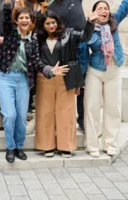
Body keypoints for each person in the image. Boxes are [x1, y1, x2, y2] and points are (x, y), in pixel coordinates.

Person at [0, 0, 67, 163]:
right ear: (17, 21)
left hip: (23, 80)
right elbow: (5, 14)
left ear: (32, 21)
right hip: (5, 77)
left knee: (20, 116)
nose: (24, 20)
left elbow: (36, 63)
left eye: (27, 18)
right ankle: (10, 147)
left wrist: (50, 71)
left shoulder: (33, 40)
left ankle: (19, 146)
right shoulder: (10, 34)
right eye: (21, 18)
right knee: (9, 115)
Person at [80, 0, 128, 158]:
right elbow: (85, 41)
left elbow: (127, 3)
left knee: (113, 109)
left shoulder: (114, 21)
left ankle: (110, 143)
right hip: (95, 71)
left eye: (105, 8)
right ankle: (92, 145)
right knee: (91, 109)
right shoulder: (89, 26)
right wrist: (89, 22)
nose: (103, 11)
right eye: (100, 9)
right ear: (94, 11)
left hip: (114, 69)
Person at [46, 0, 102, 133]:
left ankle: (83, 121)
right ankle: (65, 121)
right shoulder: (50, 9)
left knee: (84, 85)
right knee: (68, 86)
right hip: (66, 50)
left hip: (84, 45)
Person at [35, 10, 98, 158]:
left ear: (58, 22)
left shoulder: (68, 34)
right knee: (45, 113)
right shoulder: (38, 38)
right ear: (43, 25)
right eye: (48, 23)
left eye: (53, 22)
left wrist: (90, 22)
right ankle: (47, 146)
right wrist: (48, 69)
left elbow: (85, 37)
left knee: (66, 113)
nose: (51, 25)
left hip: (65, 77)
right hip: (45, 77)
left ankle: (66, 146)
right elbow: (35, 57)